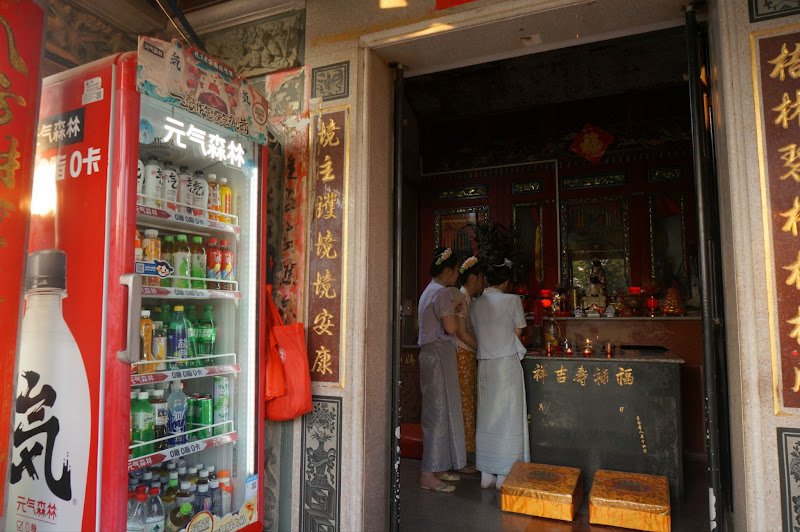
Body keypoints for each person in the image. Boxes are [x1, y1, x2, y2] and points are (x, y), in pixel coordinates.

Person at [470, 257, 530, 490]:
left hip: (484, 363)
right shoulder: (512, 300)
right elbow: (518, 330)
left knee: (487, 417)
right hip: (506, 362)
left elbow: (475, 331)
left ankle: (487, 472)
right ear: (505, 281)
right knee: (509, 417)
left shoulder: (476, 303)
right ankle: (506, 473)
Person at [417, 246, 467, 492]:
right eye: (456, 271)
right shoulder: (443, 293)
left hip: (432, 353)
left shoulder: (429, 290)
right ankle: (428, 473)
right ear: (448, 270)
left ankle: (437, 466)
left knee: (440, 409)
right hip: (437, 353)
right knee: (438, 411)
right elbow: (450, 328)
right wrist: (459, 309)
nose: (457, 275)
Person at [447, 256, 484, 474]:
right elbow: (460, 331)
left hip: (466, 354)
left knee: (468, 405)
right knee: (465, 407)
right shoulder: (461, 297)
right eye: (480, 278)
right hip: (462, 354)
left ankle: (465, 455)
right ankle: (462, 457)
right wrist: (480, 347)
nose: (482, 283)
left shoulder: (467, 298)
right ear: (473, 277)